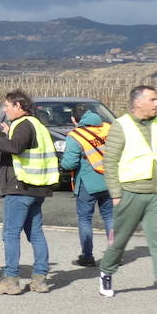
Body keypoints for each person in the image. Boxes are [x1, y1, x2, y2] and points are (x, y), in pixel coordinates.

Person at [98, 85, 157, 306]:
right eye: (154, 100)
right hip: (131, 191)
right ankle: (106, 271)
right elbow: (109, 162)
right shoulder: (121, 125)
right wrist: (116, 194)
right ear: (138, 103)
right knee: (120, 240)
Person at [0, 90, 57, 294]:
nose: (4, 109)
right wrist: (9, 135)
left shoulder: (24, 124)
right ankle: (40, 278)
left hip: (21, 187)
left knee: (10, 233)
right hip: (36, 187)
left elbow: (16, 147)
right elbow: (23, 146)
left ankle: (11, 279)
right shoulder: (36, 125)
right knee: (35, 233)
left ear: (19, 106)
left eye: (7, 105)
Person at [61, 105, 113, 268]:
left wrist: (62, 163)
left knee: (85, 219)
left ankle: (87, 255)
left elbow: (69, 164)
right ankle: (115, 254)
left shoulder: (75, 136)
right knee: (110, 218)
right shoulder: (108, 128)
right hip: (110, 180)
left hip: (88, 183)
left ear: (73, 120)